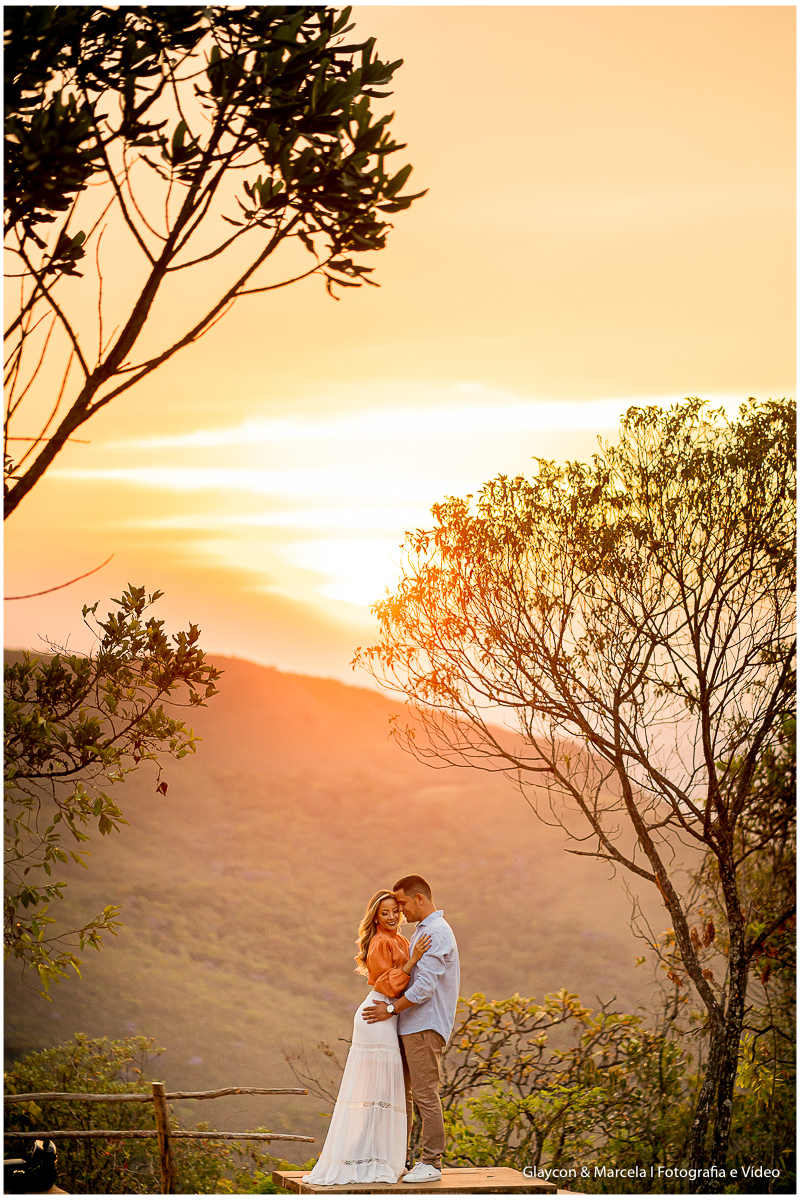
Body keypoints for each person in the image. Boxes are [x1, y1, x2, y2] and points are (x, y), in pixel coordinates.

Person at [301, 890, 431, 1186]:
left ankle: (377, 1156)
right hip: (377, 1013)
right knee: (375, 1089)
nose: (391, 917)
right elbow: (388, 982)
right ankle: (363, 1159)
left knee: (384, 1089)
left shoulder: (400, 940)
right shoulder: (379, 941)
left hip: (388, 1013)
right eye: (384, 913)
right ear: (375, 916)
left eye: (395, 911)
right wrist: (415, 961)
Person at [363, 873, 460, 1184]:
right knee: (402, 1094)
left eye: (403, 903)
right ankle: (398, 1158)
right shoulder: (421, 932)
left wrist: (390, 1009)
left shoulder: (437, 933)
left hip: (423, 1025)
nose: (400, 911)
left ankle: (431, 1162)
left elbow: (423, 989)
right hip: (410, 1025)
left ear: (420, 898)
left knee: (424, 1094)